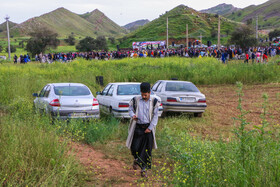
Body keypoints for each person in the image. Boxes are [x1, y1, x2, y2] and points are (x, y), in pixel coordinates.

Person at [126, 82, 160, 178]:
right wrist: (133, 115)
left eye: (145, 94)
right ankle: (136, 159)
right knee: (135, 147)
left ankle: (143, 170)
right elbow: (130, 109)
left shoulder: (154, 101)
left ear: (149, 92)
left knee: (146, 151)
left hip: (148, 128)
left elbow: (156, 116)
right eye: (142, 94)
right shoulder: (135, 100)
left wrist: (150, 128)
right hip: (138, 127)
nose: (144, 96)